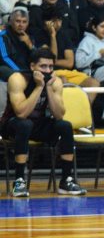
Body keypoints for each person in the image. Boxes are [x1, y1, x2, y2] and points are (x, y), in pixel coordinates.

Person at [1, 48, 86, 197]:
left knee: (65, 126)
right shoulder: (18, 79)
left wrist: (48, 88)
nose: (47, 71)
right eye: (43, 66)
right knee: (24, 124)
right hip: (12, 125)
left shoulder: (55, 82)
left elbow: (59, 115)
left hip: (38, 125)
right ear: (33, 66)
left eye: (51, 67)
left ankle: (66, 180)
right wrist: (39, 87)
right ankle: (19, 181)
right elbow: (21, 113)